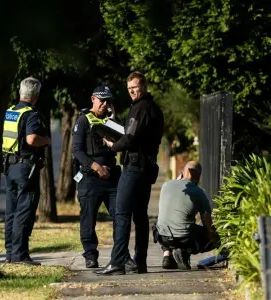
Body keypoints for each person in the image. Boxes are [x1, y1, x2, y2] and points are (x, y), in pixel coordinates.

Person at [96, 72, 164, 275]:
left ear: (144, 85)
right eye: (129, 89)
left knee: (122, 213)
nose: (132, 91)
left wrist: (113, 145)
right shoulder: (153, 109)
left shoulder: (141, 108)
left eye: (135, 87)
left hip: (134, 168)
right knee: (140, 216)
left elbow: (130, 138)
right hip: (146, 167)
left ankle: (117, 263)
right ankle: (140, 262)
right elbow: (133, 133)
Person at [72, 85, 133, 269]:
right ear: (93, 99)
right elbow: (77, 151)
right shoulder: (83, 121)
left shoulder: (111, 120)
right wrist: (96, 167)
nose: (105, 104)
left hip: (112, 177)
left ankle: (122, 255)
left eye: (108, 101)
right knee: (88, 218)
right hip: (90, 177)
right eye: (102, 100)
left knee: (120, 216)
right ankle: (90, 255)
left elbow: (125, 140)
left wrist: (114, 120)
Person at [2, 77, 51, 265]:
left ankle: (9, 253)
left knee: (11, 211)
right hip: (25, 168)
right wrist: (46, 140)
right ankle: (20, 254)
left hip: (10, 165)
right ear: (36, 95)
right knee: (24, 211)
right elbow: (31, 139)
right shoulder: (31, 114)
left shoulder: (10, 111)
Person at [153, 161, 220, 270]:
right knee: (209, 235)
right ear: (198, 177)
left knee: (160, 223)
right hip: (183, 239)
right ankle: (184, 251)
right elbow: (207, 223)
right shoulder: (199, 192)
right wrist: (216, 239)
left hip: (162, 236)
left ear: (181, 174)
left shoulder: (166, 185)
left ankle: (167, 254)